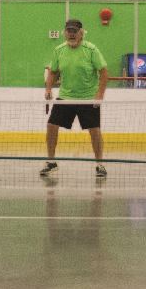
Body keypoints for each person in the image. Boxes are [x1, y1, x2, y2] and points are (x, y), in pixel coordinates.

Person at [41, 19, 109, 179]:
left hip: (88, 99)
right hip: (66, 97)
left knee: (95, 131)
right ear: (65, 33)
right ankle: (51, 162)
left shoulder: (91, 50)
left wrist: (99, 95)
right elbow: (53, 71)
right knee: (51, 126)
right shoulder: (59, 50)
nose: (71, 34)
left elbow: (104, 72)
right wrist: (48, 88)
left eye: (74, 31)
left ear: (81, 33)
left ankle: (100, 165)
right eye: (68, 31)